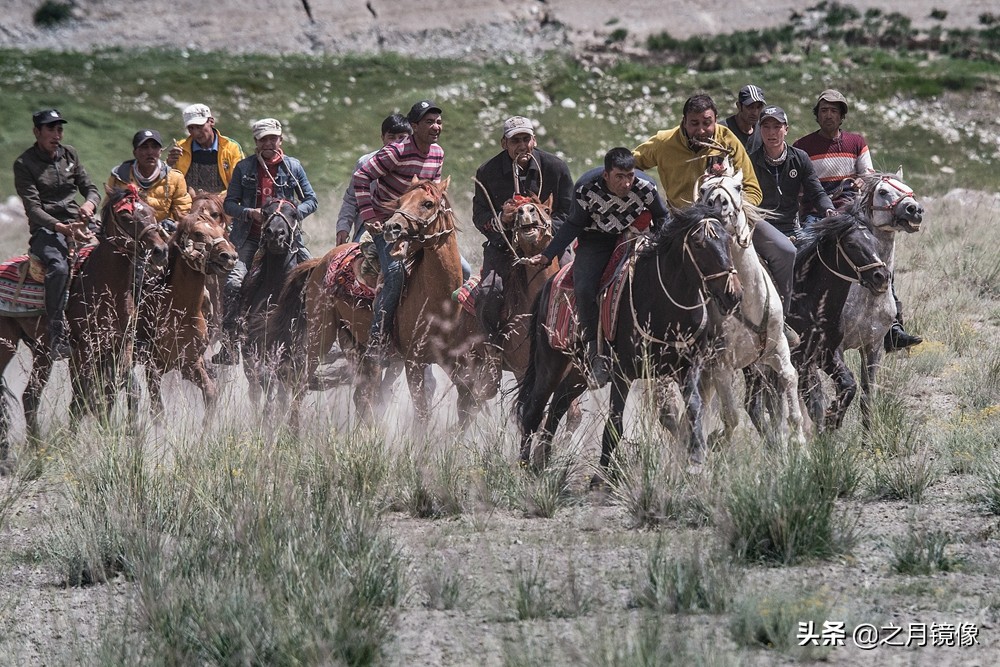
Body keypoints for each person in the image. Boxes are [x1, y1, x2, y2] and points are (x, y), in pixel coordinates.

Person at [632, 94, 798, 342]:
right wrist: (645, 197)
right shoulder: (664, 142)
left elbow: (753, 188)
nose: (701, 130)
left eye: (707, 123)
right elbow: (629, 164)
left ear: (716, 120)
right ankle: (655, 333)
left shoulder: (727, 140)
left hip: (731, 221)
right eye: (694, 123)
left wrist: (735, 210)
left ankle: (780, 320)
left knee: (785, 251)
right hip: (684, 226)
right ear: (684, 123)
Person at [525, 147, 669, 387]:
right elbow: (573, 224)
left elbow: (663, 218)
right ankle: (595, 350)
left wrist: (660, 243)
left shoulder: (646, 187)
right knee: (584, 287)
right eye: (619, 177)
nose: (626, 183)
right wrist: (548, 255)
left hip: (634, 235)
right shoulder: (585, 189)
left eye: (630, 176)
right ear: (606, 175)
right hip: (596, 238)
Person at [793, 89, 921, 351]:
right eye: (823, 110)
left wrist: (860, 180)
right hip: (818, 217)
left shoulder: (856, 142)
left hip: (852, 215)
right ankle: (796, 317)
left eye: (834, 111)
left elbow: (869, 175)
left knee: (877, 259)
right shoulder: (802, 146)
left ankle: (893, 325)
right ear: (816, 115)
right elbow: (802, 185)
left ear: (842, 116)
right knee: (800, 253)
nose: (828, 115)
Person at [216, 117, 318, 364]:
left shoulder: (293, 167)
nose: (269, 143)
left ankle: (318, 339)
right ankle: (230, 344)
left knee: (316, 279)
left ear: (280, 139)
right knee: (233, 283)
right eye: (264, 139)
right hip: (252, 238)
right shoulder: (244, 168)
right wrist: (248, 213)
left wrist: (292, 212)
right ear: (256, 142)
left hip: (288, 240)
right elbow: (230, 204)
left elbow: (311, 200)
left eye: (273, 138)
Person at [353, 99, 444, 366]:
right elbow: (361, 177)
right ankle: (377, 339)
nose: (435, 126)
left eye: (438, 122)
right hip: (388, 226)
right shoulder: (396, 151)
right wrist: (369, 217)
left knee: (459, 268)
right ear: (414, 126)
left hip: (417, 228)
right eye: (429, 122)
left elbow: (432, 192)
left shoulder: (438, 153)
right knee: (394, 273)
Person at [471, 114, 574, 347]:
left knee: (575, 285)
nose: (521, 146)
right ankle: (494, 348)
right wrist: (502, 219)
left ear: (534, 141)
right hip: (505, 247)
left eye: (525, 139)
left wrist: (545, 228)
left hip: (552, 246)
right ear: (504, 143)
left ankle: (579, 345)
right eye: (514, 140)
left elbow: (568, 213)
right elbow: (480, 217)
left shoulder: (555, 168)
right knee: (489, 293)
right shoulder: (487, 172)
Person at [13, 108, 98, 359]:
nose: (56, 134)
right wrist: (62, 228)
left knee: (120, 249)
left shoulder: (70, 153)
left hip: (79, 221)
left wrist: (89, 205)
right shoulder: (24, 164)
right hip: (46, 230)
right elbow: (33, 209)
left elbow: (91, 188)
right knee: (59, 268)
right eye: (50, 129)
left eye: (59, 129)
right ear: (37, 132)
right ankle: (57, 334)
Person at [749, 105, 834, 238]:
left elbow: (817, 192)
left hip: (792, 229)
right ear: (759, 130)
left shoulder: (800, 158)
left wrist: (829, 209)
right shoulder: (751, 162)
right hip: (762, 230)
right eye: (766, 127)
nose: (771, 132)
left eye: (777, 127)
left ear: (786, 129)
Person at [336, 113, 413, 246]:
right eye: (391, 137)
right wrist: (343, 227)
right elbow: (351, 199)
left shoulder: (415, 164)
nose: (396, 142)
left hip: (407, 229)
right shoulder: (365, 162)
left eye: (402, 137)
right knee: (349, 260)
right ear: (382, 138)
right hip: (370, 228)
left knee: (456, 265)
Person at [107, 129, 192, 228]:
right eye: (144, 147)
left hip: (162, 237)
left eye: (155, 147)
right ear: (135, 152)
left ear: (160, 152)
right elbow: (108, 209)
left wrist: (172, 223)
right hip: (127, 235)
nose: (150, 152)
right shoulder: (120, 176)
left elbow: (183, 213)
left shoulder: (175, 178)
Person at [166, 103, 245, 196]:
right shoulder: (180, 148)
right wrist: (168, 165)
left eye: (199, 127)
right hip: (188, 202)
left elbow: (239, 183)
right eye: (191, 128)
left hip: (221, 203)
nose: (195, 133)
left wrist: (215, 199)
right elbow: (169, 183)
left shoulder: (231, 148)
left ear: (211, 121)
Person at [721, 83, 766, 155]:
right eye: (750, 107)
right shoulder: (723, 130)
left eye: (759, 107)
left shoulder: (763, 130)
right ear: (739, 106)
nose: (755, 112)